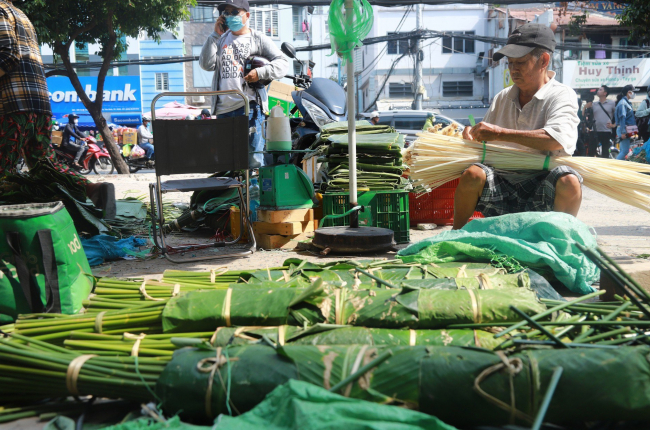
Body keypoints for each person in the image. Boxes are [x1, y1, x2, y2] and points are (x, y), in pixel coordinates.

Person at [457, 23, 581, 230]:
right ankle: (456, 233)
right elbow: (484, 141)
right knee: (472, 174)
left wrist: (500, 133)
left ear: (543, 60)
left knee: (569, 180)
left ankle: (561, 237)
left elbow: (555, 140)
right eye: (510, 63)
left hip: (543, 185)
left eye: (521, 63)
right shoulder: (502, 98)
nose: (513, 69)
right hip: (502, 187)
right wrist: (472, 138)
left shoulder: (561, 95)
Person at [0, 0, 86, 184]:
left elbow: (7, 56)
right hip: (39, 105)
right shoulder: (22, 16)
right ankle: (92, 188)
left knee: (3, 174)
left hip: (12, 105)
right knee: (47, 170)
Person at [199, 0, 289, 168]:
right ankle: (234, 193)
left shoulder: (258, 39)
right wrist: (214, 36)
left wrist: (260, 73)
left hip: (250, 108)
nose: (229, 16)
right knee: (227, 161)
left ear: (247, 15)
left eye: (234, 12)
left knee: (254, 160)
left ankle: (253, 192)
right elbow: (206, 64)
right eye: (226, 13)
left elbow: (283, 63)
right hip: (223, 110)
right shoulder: (220, 39)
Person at [615, 84, 638, 161]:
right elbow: (622, 118)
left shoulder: (624, 102)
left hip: (624, 129)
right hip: (624, 129)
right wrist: (623, 132)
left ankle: (618, 168)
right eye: (633, 92)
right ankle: (614, 166)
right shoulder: (623, 103)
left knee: (622, 151)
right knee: (624, 151)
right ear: (629, 92)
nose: (634, 94)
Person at [593, 85, 617, 158]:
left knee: (605, 152)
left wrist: (614, 125)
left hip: (606, 131)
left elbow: (618, 116)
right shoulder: (594, 104)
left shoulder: (612, 103)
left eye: (600, 90)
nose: (598, 91)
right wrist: (585, 107)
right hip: (595, 131)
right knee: (592, 151)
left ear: (605, 93)